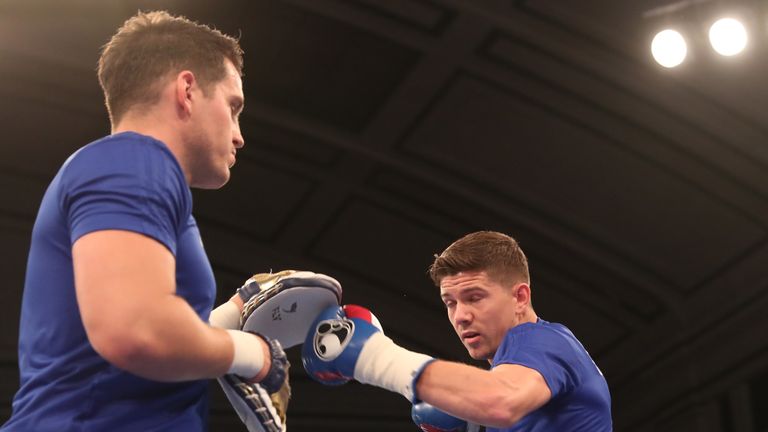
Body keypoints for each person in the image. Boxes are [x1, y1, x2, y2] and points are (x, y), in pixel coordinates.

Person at [2, 11, 286, 431]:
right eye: (233, 107)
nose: (240, 134)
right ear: (187, 90)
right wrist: (253, 353)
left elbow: (114, 350)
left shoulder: (137, 175)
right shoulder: (135, 161)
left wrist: (231, 314)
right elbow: (135, 330)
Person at [302, 231, 613, 431]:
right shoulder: (520, 372)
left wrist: (373, 357)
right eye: (450, 302)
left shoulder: (543, 340)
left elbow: (500, 401)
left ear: (520, 297)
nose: (461, 316)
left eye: (475, 298)